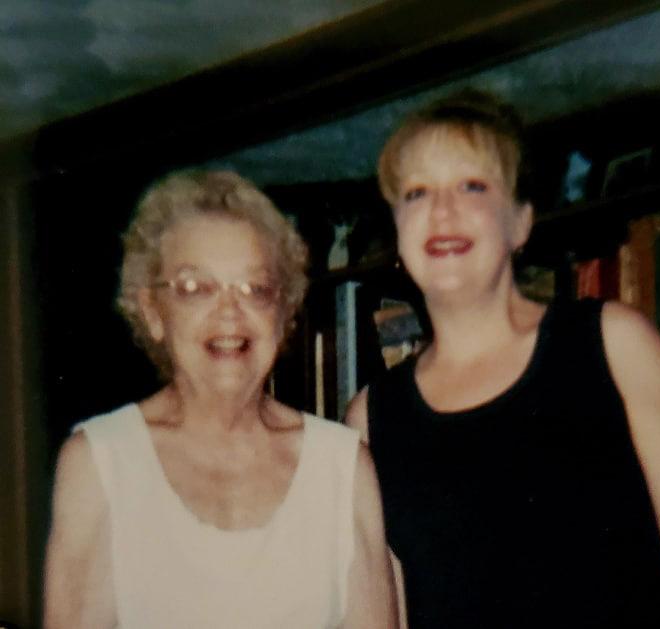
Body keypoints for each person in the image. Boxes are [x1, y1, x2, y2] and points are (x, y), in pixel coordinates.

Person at [346, 90, 660, 628]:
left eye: (472, 186)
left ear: (520, 222)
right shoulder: (371, 418)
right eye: (417, 193)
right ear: (398, 232)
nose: (442, 210)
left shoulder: (614, 343)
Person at [44, 170, 398, 628]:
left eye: (255, 289)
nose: (229, 312)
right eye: (196, 288)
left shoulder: (343, 466)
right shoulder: (101, 462)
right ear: (153, 312)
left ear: (282, 313)